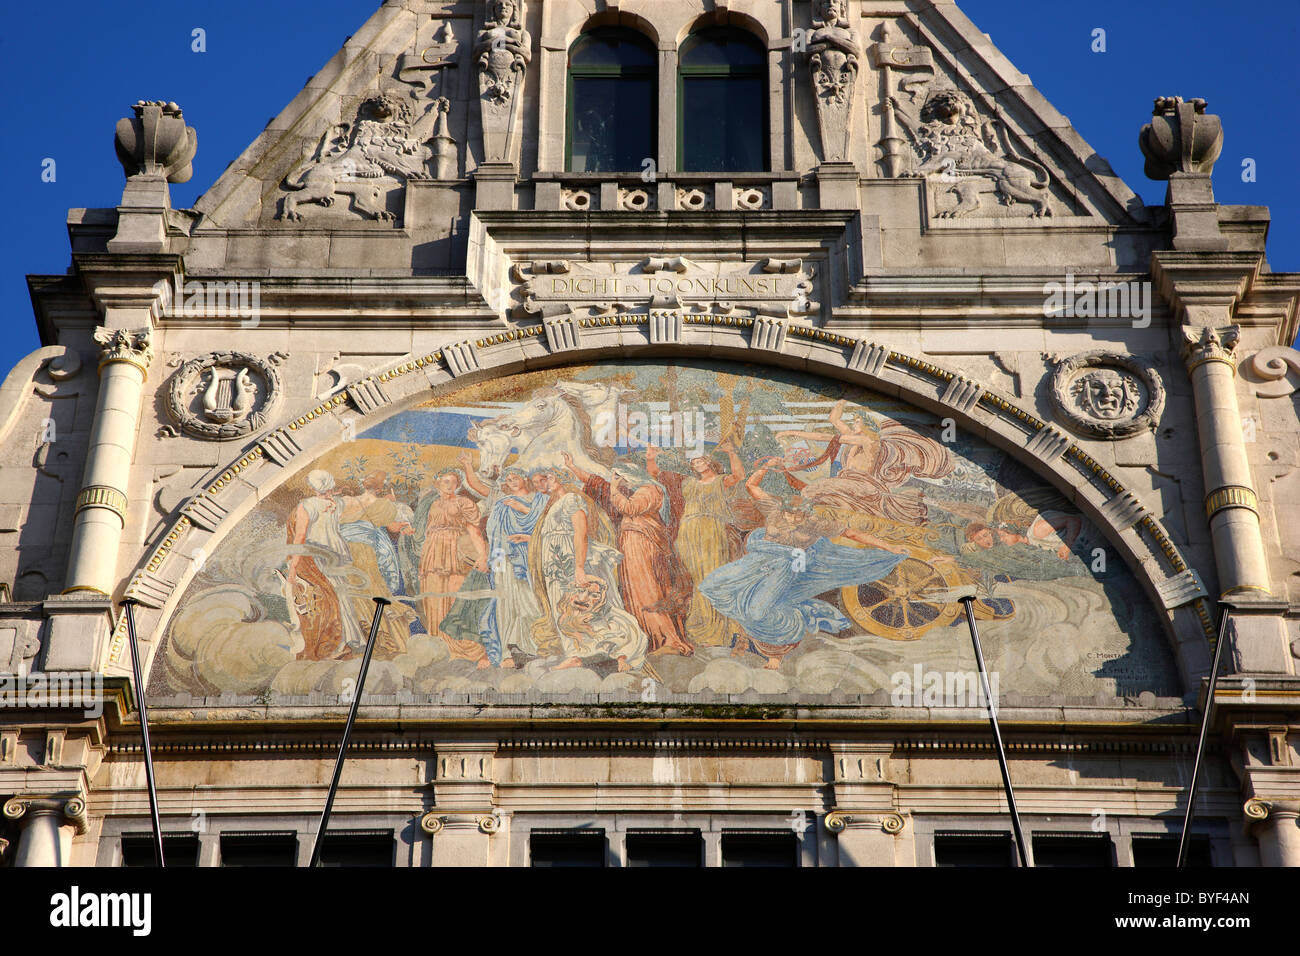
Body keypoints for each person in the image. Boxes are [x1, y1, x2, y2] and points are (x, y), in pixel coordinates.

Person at [699, 460, 910, 669]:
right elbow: (751, 486)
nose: (793, 518)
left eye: (798, 515)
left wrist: (890, 548)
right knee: (711, 586)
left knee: (758, 611)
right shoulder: (774, 510)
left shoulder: (814, 523)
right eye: (789, 513)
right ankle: (741, 638)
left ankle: (780, 647)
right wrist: (766, 466)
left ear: (806, 513)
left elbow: (851, 533)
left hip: (782, 570)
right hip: (757, 563)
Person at [563, 452, 694, 657]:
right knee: (634, 592)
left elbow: (629, 508)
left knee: (647, 592)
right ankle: (649, 639)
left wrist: (615, 489)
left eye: (619, 476)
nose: (617, 481)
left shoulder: (650, 490)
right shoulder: (639, 489)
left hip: (641, 545)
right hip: (632, 544)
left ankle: (669, 640)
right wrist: (572, 466)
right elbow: (597, 484)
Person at [528, 467, 648, 672]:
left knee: (577, 607)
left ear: (556, 478)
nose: (539, 484)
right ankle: (577, 653)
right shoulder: (555, 504)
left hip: (569, 561)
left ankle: (585, 655)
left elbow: (580, 533)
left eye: (545, 478)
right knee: (564, 608)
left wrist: (580, 568)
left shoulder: (571, 499)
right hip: (556, 563)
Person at [776, 399, 953, 524]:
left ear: (868, 426)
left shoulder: (869, 442)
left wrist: (795, 433)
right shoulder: (856, 437)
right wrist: (843, 400)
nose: (854, 425)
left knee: (812, 490)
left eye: (857, 421)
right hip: (849, 481)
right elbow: (834, 420)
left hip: (864, 485)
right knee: (815, 492)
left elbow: (827, 436)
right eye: (854, 421)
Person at [647, 443, 746, 646]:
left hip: (711, 532)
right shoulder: (687, 483)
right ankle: (701, 621)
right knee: (696, 579)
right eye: (694, 462)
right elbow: (658, 475)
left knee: (713, 576)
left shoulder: (719, 481)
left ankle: (719, 626)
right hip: (688, 534)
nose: (697, 463)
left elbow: (739, 476)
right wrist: (650, 458)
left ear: (708, 461)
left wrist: (732, 452)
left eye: (700, 460)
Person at [284, 470, 369, 661]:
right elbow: (345, 500)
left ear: (313, 487)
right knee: (340, 594)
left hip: (317, 555)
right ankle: (348, 639)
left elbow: (300, 537)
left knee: (326, 600)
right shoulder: (336, 503)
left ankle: (335, 643)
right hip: (336, 553)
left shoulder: (306, 505)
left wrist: (293, 567)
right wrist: (336, 492)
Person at [414, 469, 489, 661]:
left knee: (457, 597)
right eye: (445, 481)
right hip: (433, 553)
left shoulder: (464, 502)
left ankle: (462, 647)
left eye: (453, 482)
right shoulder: (433, 505)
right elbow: (429, 531)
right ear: (438, 483)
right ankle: (440, 645)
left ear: (458, 485)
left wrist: (482, 556)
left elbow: (474, 531)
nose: (449, 485)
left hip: (455, 551)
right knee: (433, 597)